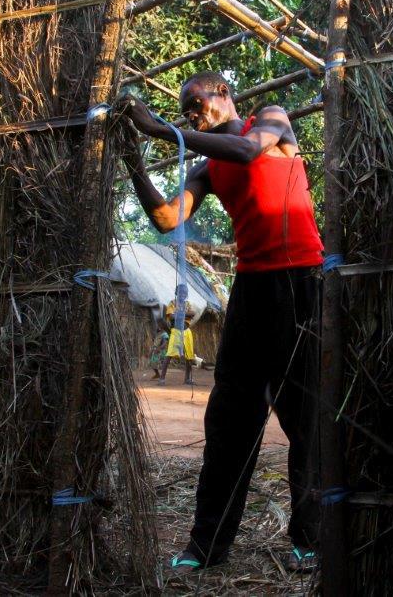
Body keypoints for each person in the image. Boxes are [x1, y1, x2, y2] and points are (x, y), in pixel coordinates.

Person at [117, 72, 322, 574]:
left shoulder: (271, 120)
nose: (192, 112)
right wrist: (133, 160)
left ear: (225, 94)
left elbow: (251, 151)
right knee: (229, 418)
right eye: (185, 109)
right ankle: (206, 547)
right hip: (251, 289)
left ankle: (310, 540)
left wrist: (164, 131)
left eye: (197, 102)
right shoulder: (206, 168)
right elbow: (168, 220)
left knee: (303, 415)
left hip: (300, 280)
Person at [160, 299, 196, 386]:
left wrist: (179, 314)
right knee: (169, 354)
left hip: (187, 331)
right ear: (177, 291)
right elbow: (171, 317)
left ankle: (187, 379)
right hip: (176, 331)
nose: (183, 293)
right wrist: (185, 315)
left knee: (189, 356)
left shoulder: (187, 303)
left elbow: (192, 313)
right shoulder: (172, 303)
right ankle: (162, 378)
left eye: (185, 291)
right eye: (182, 290)